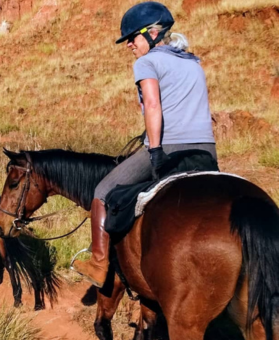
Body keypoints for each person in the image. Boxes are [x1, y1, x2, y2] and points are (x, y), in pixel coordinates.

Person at [72, 1, 216, 287]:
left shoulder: (146, 62)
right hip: (206, 149)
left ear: (152, 33)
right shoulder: (193, 61)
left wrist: (154, 149)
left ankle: (99, 264)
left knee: (102, 191)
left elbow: (152, 106)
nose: (129, 45)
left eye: (132, 37)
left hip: (170, 146)